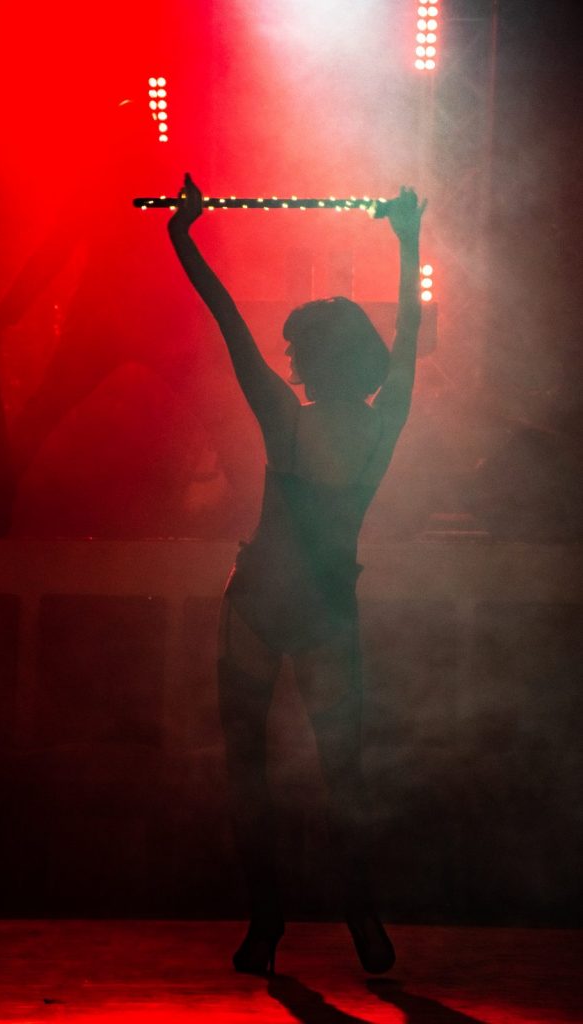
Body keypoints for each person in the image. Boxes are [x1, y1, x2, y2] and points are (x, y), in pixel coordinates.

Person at [168, 173, 426, 975]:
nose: (291, 358)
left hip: (262, 605)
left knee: (254, 774)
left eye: (299, 351)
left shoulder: (286, 419)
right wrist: (408, 241)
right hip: (316, 609)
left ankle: (273, 922)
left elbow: (227, 321)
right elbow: (409, 333)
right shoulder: (379, 427)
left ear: (312, 362)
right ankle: (353, 919)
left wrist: (183, 237)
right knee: (338, 773)